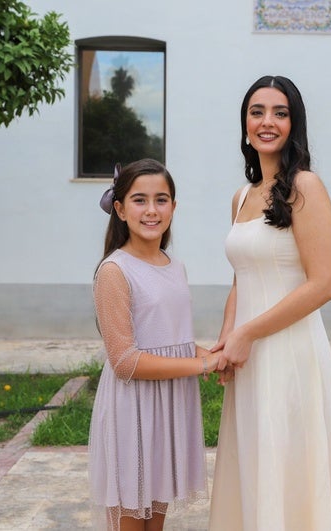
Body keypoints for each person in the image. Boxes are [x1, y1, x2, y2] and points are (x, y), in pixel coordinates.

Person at [208, 76, 331, 530]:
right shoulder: (241, 197)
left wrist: (248, 332)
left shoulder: (307, 187)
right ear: (245, 123)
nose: (267, 121)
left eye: (279, 112)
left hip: (290, 352)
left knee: (290, 464)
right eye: (257, 112)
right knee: (254, 464)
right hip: (247, 356)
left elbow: (324, 284)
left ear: (294, 123)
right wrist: (226, 342)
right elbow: (241, 280)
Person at [88, 158, 222, 531]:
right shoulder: (115, 271)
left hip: (168, 412)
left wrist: (211, 354)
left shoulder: (174, 266)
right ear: (120, 209)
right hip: (132, 412)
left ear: (174, 207)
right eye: (139, 200)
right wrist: (202, 366)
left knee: (155, 525)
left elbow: (174, 341)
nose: (151, 210)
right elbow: (125, 361)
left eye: (161, 200)